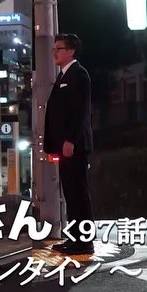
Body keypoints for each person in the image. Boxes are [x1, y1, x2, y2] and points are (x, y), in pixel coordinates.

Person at [43, 33, 95, 255]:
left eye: (59, 48)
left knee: (78, 194)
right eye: (54, 48)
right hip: (64, 147)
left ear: (71, 51)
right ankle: (74, 239)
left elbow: (79, 111)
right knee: (71, 195)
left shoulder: (78, 74)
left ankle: (84, 241)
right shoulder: (64, 75)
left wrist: (71, 140)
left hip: (74, 146)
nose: (54, 52)